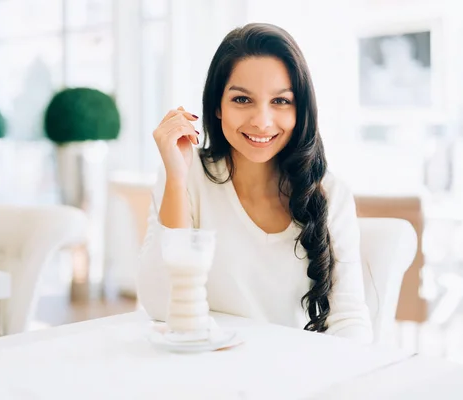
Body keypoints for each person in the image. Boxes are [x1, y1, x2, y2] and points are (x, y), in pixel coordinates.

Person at [137, 23, 373, 343]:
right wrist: (177, 181)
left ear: (300, 109)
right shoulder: (183, 174)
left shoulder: (330, 193)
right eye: (242, 100)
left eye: (280, 101)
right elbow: (159, 304)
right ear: (217, 106)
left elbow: (348, 319)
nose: (262, 121)